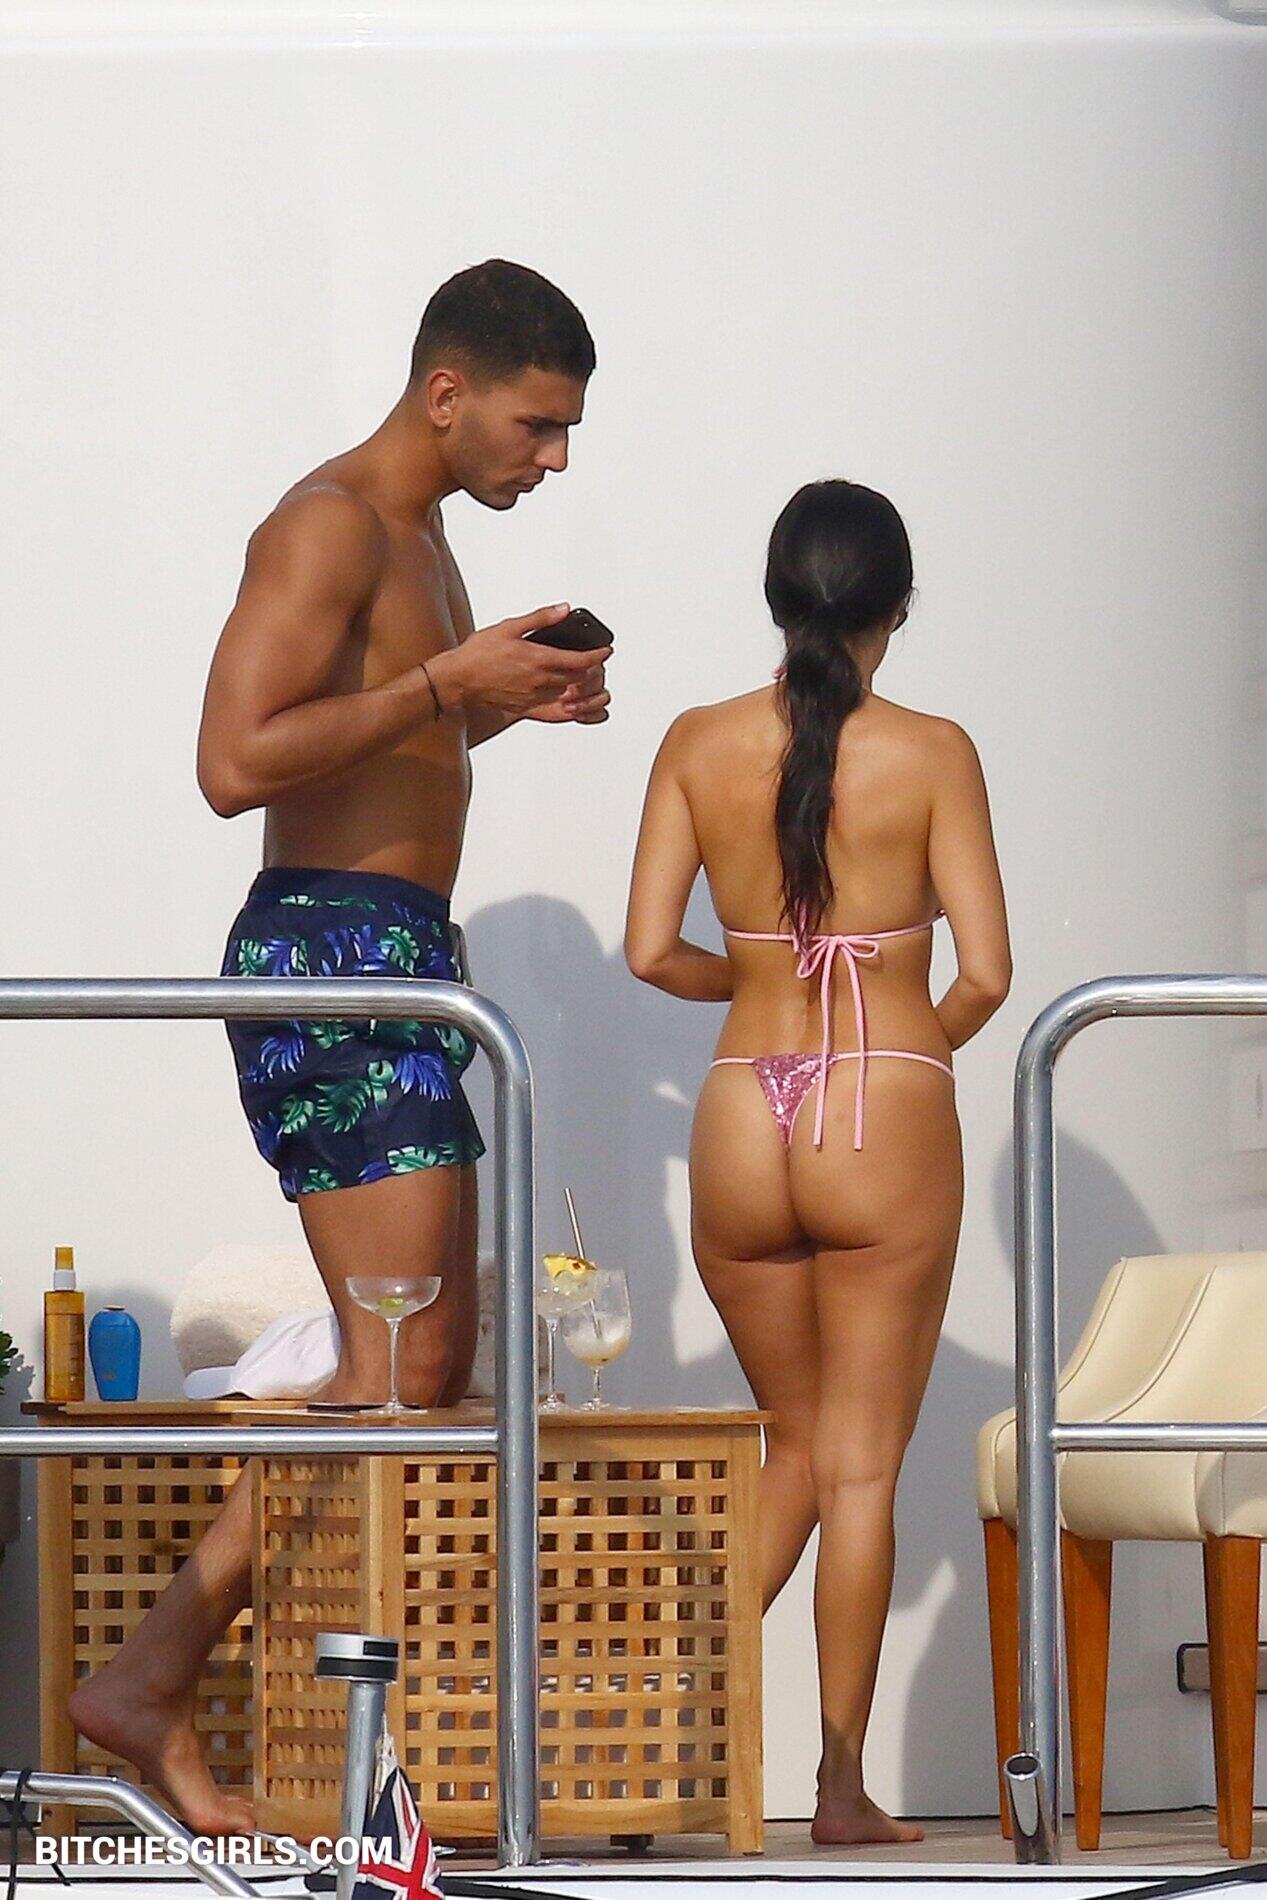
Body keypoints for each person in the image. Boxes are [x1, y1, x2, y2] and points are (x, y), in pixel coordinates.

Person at [68, 259, 611, 1833]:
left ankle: (157, 1678)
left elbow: (375, 735)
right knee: (397, 1367)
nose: (552, 460)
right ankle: (205, 1697)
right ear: (448, 393)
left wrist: (494, 699)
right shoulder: (328, 526)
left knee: (415, 1368)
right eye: (537, 426)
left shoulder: (427, 542)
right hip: (331, 954)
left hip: (399, 959)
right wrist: (446, 680)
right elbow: (233, 760)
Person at [625, 479, 1010, 1845]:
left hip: (743, 1108)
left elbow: (650, 950)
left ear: (777, 601)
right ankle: (839, 1788)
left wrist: (754, 989)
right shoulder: (934, 751)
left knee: (786, 1445)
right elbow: (988, 973)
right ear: (895, 608)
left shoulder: (694, 741)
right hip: (878, 1107)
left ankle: (632, 1729)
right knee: (854, 1470)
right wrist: (898, 1047)